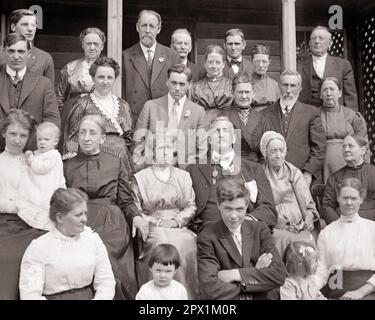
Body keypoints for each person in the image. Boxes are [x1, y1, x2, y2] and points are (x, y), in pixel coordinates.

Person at [64, 114, 147, 300]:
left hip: (111, 222)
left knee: (109, 257)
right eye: (82, 132)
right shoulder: (67, 165)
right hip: (79, 221)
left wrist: (136, 216)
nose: (86, 137)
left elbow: (125, 199)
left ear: (102, 138)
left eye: (92, 133)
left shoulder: (115, 162)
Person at [197, 178, 286, 299]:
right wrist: (253, 275)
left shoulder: (260, 229)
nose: (233, 216)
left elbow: (278, 275)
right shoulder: (208, 234)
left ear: (246, 206)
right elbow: (210, 287)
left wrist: (234, 274)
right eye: (228, 208)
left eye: (239, 209)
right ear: (218, 205)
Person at [19, 188, 115, 300]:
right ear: (60, 218)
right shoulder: (39, 247)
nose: (85, 219)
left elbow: (106, 281)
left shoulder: (92, 239)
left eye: (85, 213)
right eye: (78, 215)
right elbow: (29, 296)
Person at [132, 138, 198, 298]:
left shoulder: (183, 176)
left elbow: (191, 205)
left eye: (170, 148)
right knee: (160, 242)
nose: (166, 152)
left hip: (178, 225)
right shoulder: (140, 178)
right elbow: (136, 208)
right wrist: (157, 222)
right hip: (152, 225)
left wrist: (176, 221)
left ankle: (185, 295)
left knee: (185, 241)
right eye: (162, 148)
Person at [187, 116, 277, 233]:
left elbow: (268, 208)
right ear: (209, 140)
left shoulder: (254, 169)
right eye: (216, 131)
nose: (221, 135)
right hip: (207, 232)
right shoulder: (193, 170)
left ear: (234, 138)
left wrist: (247, 220)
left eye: (226, 131)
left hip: (245, 232)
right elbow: (186, 205)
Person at [0, 109, 46, 300]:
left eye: (23, 135)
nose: (17, 140)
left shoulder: (35, 163)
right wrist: (16, 206)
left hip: (30, 226)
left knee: (37, 254)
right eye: (12, 134)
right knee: (7, 257)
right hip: (3, 225)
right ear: (3, 133)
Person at [63, 57, 134, 180]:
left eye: (109, 77)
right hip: (93, 161)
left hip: (121, 160)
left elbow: (129, 136)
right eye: (101, 77)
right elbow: (72, 137)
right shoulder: (83, 104)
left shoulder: (123, 105)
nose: (105, 82)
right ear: (93, 78)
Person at [133, 64, 208, 171]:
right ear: (167, 82)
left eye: (182, 84)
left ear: (190, 85)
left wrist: (191, 172)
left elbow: (202, 150)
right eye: (174, 83)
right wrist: (141, 169)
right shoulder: (150, 107)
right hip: (154, 170)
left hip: (185, 172)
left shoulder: (198, 112)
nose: (177, 88)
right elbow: (138, 144)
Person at [262, 70, 326, 187]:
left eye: (293, 86)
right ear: (279, 86)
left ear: (300, 88)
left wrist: (309, 173)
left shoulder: (311, 112)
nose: (288, 90)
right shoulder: (265, 114)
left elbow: (319, 148)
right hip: (272, 177)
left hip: (301, 176)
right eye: (285, 85)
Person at [314, 178, 375, 300]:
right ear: (338, 198)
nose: (349, 202)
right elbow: (322, 271)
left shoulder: (372, 228)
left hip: (368, 291)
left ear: (361, 200)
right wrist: (308, 288)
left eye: (353, 198)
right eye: (345, 197)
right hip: (335, 290)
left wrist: (360, 292)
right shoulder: (327, 232)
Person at [260, 131, 318, 256]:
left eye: (281, 150)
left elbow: (308, 204)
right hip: (273, 225)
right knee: (279, 238)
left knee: (306, 239)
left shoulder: (294, 172)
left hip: (298, 223)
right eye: (273, 151)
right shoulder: (260, 173)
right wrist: (280, 223)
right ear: (265, 153)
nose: (278, 155)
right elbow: (259, 207)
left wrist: (309, 216)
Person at [0, 33, 60, 151]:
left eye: (21, 51)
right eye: (11, 51)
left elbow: (52, 121)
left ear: (29, 54)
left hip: (32, 154)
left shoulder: (43, 84)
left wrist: (40, 150)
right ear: (4, 52)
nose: (16, 56)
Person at [122, 10, 180, 126]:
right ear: (137, 27)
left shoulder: (172, 55)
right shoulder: (125, 56)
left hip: (164, 119)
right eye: (144, 25)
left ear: (158, 29)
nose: (147, 30)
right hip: (135, 120)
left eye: (152, 26)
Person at [16, 122, 66, 231]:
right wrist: (30, 156)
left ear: (55, 141)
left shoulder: (53, 155)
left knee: (44, 203)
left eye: (46, 139)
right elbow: (34, 160)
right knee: (31, 197)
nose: (42, 142)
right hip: (39, 184)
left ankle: (44, 224)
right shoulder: (40, 153)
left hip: (48, 187)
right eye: (39, 139)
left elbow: (41, 168)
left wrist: (31, 161)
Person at [319, 77, 368, 182]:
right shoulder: (314, 115)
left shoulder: (352, 116)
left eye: (332, 89)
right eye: (324, 90)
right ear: (320, 95)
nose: (328, 93)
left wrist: (363, 170)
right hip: (321, 166)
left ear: (340, 93)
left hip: (347, 164)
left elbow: (363, 143)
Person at [298, 26, 358, 111]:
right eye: (313, 38)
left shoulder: (343, 65)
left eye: (321, 38)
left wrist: (351, 120)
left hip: (335, 117)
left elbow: (350, 97)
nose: (317, 41)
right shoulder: (299, 65)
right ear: (309, 43)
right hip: (307, 116)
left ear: (329, 43)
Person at [322, 134, 375, 223]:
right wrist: (339, 225)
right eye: (344, 146)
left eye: (350, 146)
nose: (346, 149)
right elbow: (327, 206)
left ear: (362, 150)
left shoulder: (373, 172)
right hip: (343, 225)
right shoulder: (334, 177)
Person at [221, 72, 271, 162]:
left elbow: (267, 149)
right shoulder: (224, 116)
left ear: (253, 93)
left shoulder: (262, 118)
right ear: (233, 93)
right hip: (231, 166)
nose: (244, 96)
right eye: (240, 92)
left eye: (247, 92)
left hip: (256, 167)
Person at [56, 27, 106, 111]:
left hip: (100, 114)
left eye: (96, 44)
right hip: (73, 114)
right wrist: (65, 115)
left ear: (102, 46)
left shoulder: (108, 69)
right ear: (83, 45)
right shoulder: (70, 68)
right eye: (88, 43)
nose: (92, 47)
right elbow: (60, 97)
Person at [0, 9, 55, 85]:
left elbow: (49, 91)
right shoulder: (1, 53)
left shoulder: (44, 58)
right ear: (13, 27)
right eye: (25, 24)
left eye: (33, 25)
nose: (30, 29)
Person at [189, 45, 233, 122]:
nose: (214, 66)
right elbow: (190, 115)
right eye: (210, 62)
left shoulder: (232, 86)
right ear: (205, 64)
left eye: (218, 62)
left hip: (226, 128)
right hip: (201, 128)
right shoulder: (195, 87)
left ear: (223, 64)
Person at [250, 43, 280, 111]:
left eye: (264, 61)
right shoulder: (245, 83)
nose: (261, 65)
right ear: (252, 61)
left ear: (269, 62)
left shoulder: (275, 85)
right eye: (257, 61)